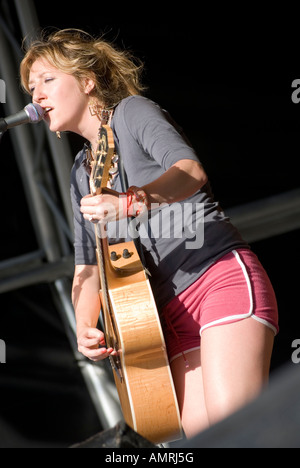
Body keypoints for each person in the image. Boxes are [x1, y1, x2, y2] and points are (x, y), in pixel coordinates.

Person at [20, 28, 279, 439]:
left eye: (48, 80)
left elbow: (190, 171)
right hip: (161, 319)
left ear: (87, 81)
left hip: (215, 279)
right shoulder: (80, 173)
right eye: (31, 87)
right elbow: (86, 268)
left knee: (238, 433)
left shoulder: (132, 112)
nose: (36, 96)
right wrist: (84, 324)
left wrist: (128, 202)